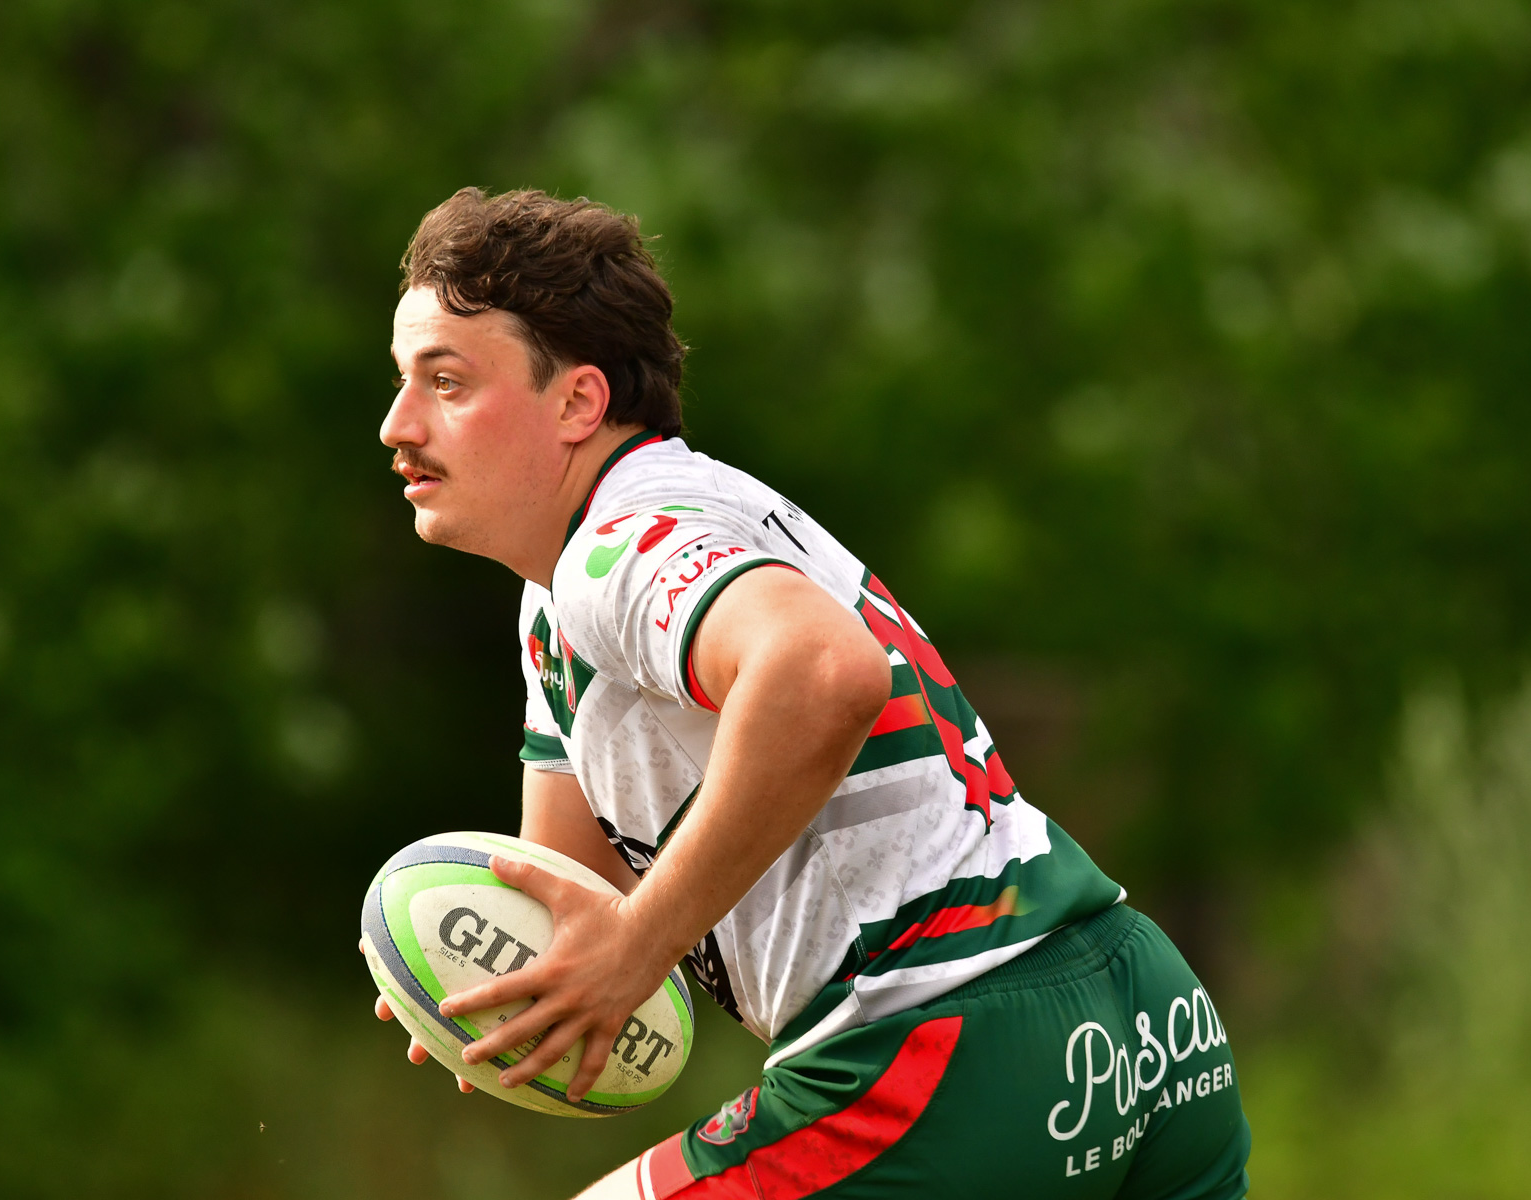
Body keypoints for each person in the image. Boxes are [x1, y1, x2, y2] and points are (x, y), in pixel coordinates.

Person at [372, 187, 1251, 1200]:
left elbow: (826, 673)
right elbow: (572, 891)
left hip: (954, 1040)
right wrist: (480, 984)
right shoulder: (593, 574)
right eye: (402, 380)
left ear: (578, 403)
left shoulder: (618, 548)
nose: (399, 424)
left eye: (446, 381)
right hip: (1147, 1018)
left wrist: (641, 943)